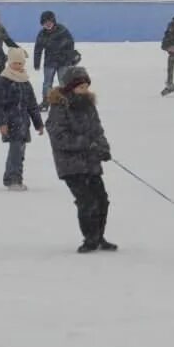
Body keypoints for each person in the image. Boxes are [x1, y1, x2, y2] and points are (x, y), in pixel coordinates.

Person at [45, 66, 116, 253]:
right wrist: (85, 143)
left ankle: (100, 236)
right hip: (71, 165)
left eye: (86, 87)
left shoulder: (89, 105)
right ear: (70, 88)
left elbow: (97, 130)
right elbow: (59, 137)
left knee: (102, 200)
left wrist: (103, 148)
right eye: (80, 87)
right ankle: (89, 239)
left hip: (91, 162)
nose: (84, 91)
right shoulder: (59, 107)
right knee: (86, 201)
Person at [0, 48, 44, 190]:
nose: (18, 66)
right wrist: (2, 123)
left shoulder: (25, 81)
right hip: (11, 123)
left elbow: (32, 105)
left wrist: (38, 124)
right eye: (15, 63)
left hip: (23, 123)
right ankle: (15, 180)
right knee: (15, 151)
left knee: (19, 152)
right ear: (9, 63)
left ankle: (10, 178)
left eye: (20, 63)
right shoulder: (3, 81)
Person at [33, 10, 78, 111]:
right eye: (45, 22)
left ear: (53, 21)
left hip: (63, 62)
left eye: (49, 21)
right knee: (47, 83)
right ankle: (45, 102)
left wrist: (68, 57)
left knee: (63, 82)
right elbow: (38, 49)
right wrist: (36, 62)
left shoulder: (62, 30)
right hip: (49, 62)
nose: (47, 24)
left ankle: (65, 100)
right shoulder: (42, 34)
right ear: (42, 24)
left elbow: (70, 43)